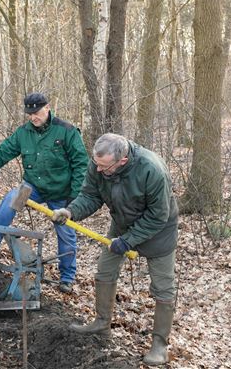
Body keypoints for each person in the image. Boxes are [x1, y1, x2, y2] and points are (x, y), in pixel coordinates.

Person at [51, 133, 178, 366]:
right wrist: (70, 212)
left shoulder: (152, 169)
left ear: (122, 161)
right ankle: (101, 324)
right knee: (104, 271)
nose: (98, 170)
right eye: (96, 165)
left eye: (104, 167)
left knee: (163, 286)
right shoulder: (99, 163)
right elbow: (90, 195)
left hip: (159, 230)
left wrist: (128, 240)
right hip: (122, 224)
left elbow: (158, 215)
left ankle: (160, 345)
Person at [0, 92, 89, 293]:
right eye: (29, 114)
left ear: (48, 108)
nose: (33, 117)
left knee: (66, 232)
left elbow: (81, 165)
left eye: (36, 113)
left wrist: (74, 197)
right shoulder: (23, 133)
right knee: (10, 200)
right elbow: (1, 154)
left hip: (61, 191)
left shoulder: (67, 131)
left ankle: (67, 278)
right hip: (32, 187)